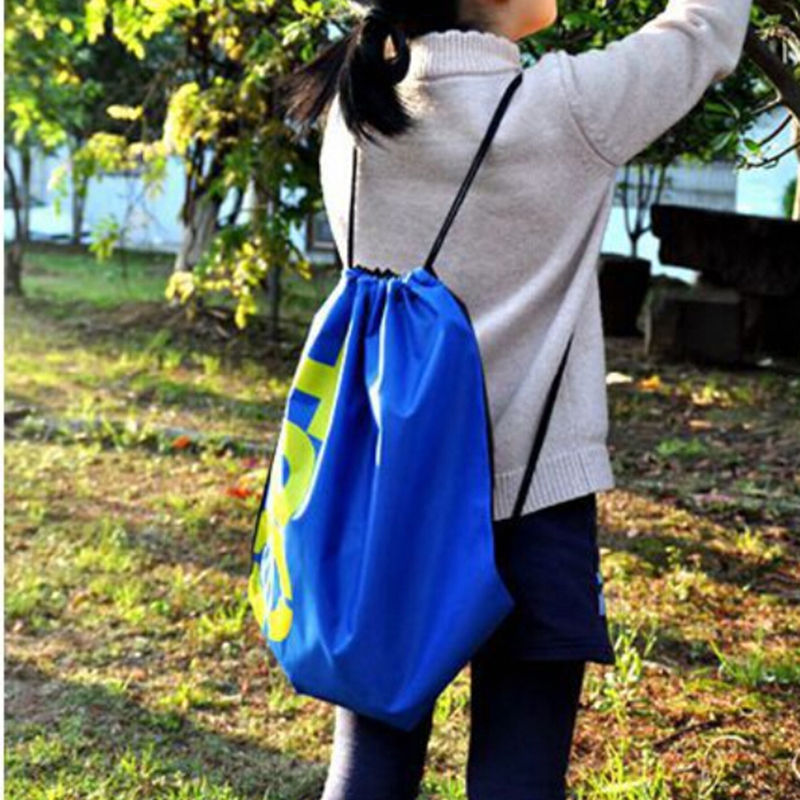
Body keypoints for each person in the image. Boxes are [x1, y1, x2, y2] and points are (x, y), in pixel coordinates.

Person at [275, 0, 754, 798]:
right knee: (519, 777)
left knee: (371, 763)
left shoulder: (356, 111)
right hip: (534, 505)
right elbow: (703, 28)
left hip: (392, 497)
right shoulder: (568, 108)